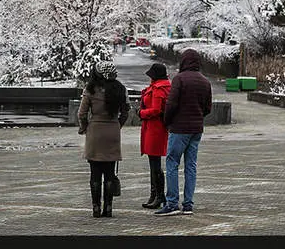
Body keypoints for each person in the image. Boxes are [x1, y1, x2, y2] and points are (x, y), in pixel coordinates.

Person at [154, 48, 211, 216]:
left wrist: (167, 121)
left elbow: (171, 104)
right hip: (196, 129)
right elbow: (207, 108)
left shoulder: (179, 79)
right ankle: (188, 204)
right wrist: (198, 116)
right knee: (191, 166)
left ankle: (172, 203)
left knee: (172, 163)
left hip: (179, 128)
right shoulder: (205, 81)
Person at [77, 60, 130, 218]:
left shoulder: (91, 89)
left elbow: (81, 113)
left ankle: (95, 208)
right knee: (109, 172)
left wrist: (84, 127)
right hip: (112, 131)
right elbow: (126, 112)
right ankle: (108, 208)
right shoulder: (120, 89)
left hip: (95, 132)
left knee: (95, 173)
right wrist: (117, 125)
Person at [138, 62, 171, 209]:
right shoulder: (161, 87)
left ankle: (159, 195)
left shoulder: (158, 89)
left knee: (155, 164)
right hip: (154, 128)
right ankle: (155, 195)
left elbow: (156, 110)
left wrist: (142, 113)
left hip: (154, 129)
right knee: (153, 163)